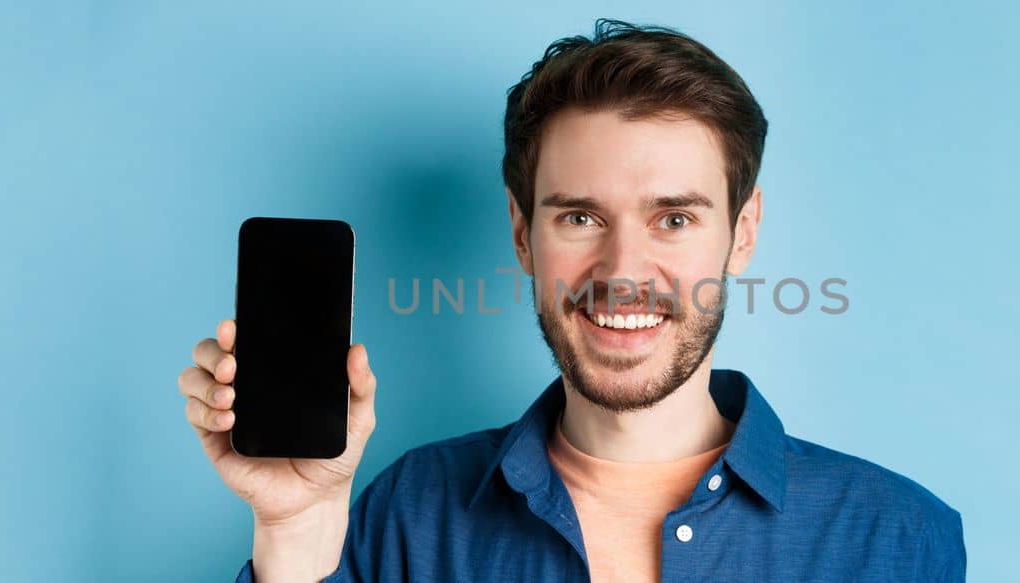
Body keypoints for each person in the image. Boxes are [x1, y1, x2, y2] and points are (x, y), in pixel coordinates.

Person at [177, 19, 966, 583]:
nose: (624, 269)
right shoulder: (409, 518)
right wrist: (294, 529)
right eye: (581, 217)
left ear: (744, 230)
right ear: (523, 233)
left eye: (675, 217)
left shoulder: (896, 537)